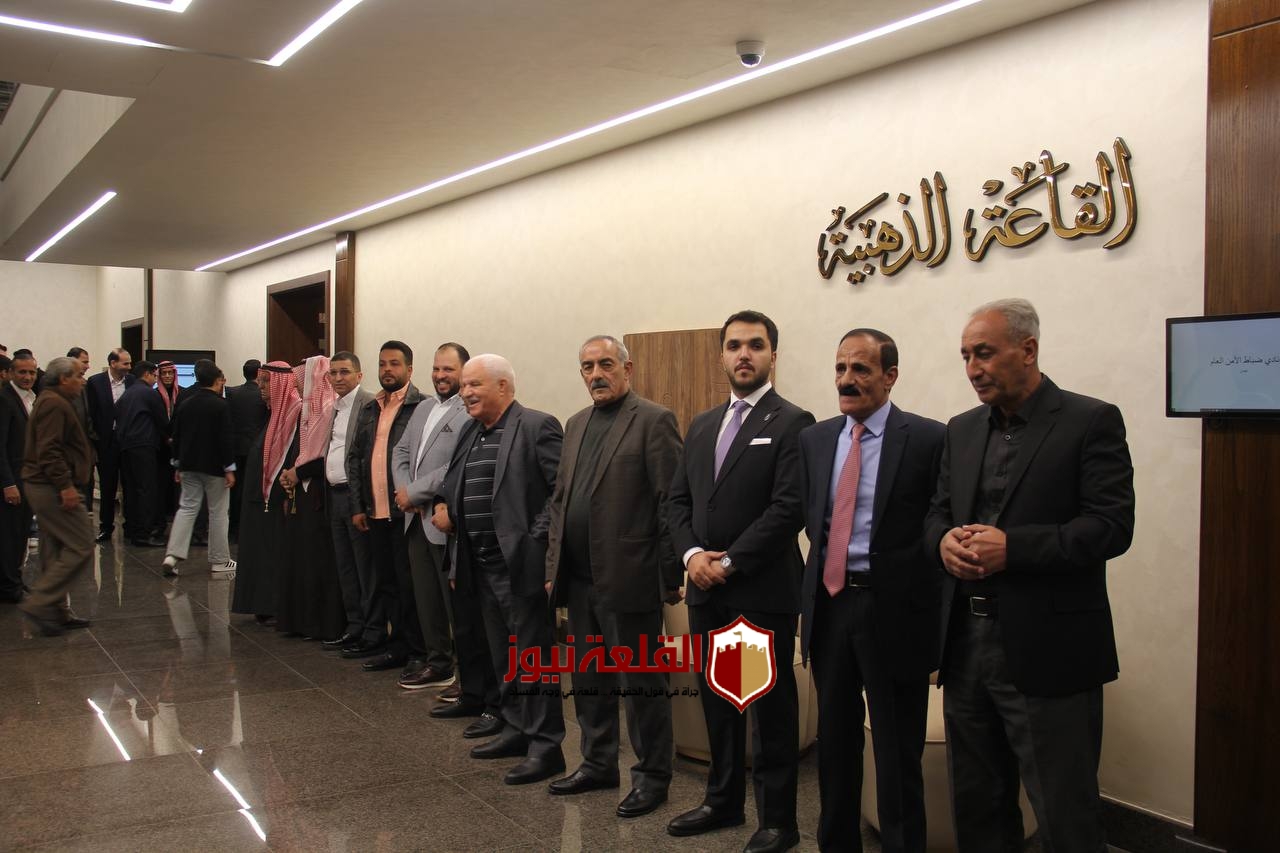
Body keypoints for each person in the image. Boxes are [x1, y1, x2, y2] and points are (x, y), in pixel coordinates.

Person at [924, 298, 1136, 853]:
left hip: (1051, 651)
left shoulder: (1090, 421)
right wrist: (942, 542)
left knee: (1064, 814)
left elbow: (1111, 527)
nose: (973, 368)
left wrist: (1013, 549)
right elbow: (937, 514)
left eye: (984, 353)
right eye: (966, 356)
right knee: (979, 807)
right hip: (966, 649)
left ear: (1028, 349)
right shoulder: (961, 430)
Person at [666, 310, 815, 853]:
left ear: (773, 354)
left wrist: (726, 563)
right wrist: (691, 557)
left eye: (755, 345)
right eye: (734, 346)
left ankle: (778, 821)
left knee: (768, 711)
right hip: (706, 591)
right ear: (721, 355)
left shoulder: (793, 421)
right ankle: (722, 800)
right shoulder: (703, 424)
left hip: (758, 592)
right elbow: (678, 502)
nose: (743, 354)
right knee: (717, 702)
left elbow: (787, 510)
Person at [797, 329, 944, 853]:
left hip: (895, 614)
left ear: (890, 376)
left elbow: (937, 526)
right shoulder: (816, 440)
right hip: (830, 608)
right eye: (840, 368)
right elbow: (811, 520)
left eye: (860, 369)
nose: (846, 379)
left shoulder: (928, 439)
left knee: (897, 752)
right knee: (835, 745)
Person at [544, 335, 683, 817]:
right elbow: (560, 501)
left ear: (628, 368)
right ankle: (598, 763)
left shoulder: (654, 420)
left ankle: (653, 776)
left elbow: (670, 501)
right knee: (588, 680)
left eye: (605, 364)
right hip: (579, 580)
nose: (596, 374)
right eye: (587, 366)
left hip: (631, 577)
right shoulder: (575, 423)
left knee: (641, 686)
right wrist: (553, 567)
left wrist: (670, 574)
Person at [433, 354, 566, 785]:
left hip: (519, 566)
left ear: (504, 386)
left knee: (533, 658)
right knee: (504, 656)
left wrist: (533, 540)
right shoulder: (471, 431)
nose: (465, 393)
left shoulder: (537, 426)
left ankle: (546, 747)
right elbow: (456, 484)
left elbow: (559, 494)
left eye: (474, 385)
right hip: (480, 565)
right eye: (464, 386)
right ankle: (515, 728)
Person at [391, 343, 471, 692]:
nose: (440, 375)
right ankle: (439, 664)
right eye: (437, 368)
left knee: (455, 604)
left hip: (443, 520)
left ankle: (469, 676)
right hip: (415, 520)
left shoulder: (468, 410)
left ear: (464, 371)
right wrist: (404, 490)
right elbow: (401, 451)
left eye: (448, 369)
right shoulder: (423, 407)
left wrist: (415, 493)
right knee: (426, 600)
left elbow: (456, 465)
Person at [345, 341, 426, 672]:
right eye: (382, 364)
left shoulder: (421, 407)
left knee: (411, 587)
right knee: (387, 584)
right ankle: (397, 648)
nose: (387, 370)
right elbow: (355, 458)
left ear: (409, 369)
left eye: (394, 364)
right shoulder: (370, 408)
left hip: (405, 514)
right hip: (375, 512)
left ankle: (420, 651)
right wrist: (358, 506)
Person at [17, 357, 93, 635]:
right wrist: (65, 486)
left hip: (45, 484)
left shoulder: (51, 400)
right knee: (81, 544)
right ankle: (40, 604)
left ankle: (56, 611)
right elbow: (49, 450)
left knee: (54, 548)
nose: (82, 382)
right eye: (78, 376)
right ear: (63, 379)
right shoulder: (54, 404)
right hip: (50, 486)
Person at [275, 356, 346, 641]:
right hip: (304, 493)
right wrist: (291, 473)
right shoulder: (308, 410)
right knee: (303, 560)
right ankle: (303, 621)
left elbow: (326, 457)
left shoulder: (328, 408)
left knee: (320, 562)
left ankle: (321, 624)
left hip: (320, 495)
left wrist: (298, 472)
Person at [319, 352, 377, 651]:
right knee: (345, 567)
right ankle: (354, 626)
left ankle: (372, 631)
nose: (338, 378)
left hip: (356, 498)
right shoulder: (335, 406)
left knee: (365, 568)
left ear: (359, 375)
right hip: (335, 496)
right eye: (333, 373)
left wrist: (360, 502)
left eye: (344, 372)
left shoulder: (369, 403)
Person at [160, 359, 237, 576]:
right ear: (216, 381)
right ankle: (220, 560)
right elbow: (225, 439)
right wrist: (229, 467)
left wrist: (177, 464)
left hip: (187, 465)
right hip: (215, 468)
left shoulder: (186, 403)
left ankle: (172, 556)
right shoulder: (221, 406)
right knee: (218, 511)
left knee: (186, 508)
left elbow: (177, 436)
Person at [231, 362, 292, 623]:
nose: (261, 387)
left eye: (266, 382)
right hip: (259, 499)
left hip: (275, 500)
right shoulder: (272, 414)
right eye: (260, 382)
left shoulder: (291, 414)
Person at [115, 361, 168, 547]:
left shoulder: (127, 394)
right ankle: (144, 533)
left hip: (126, 446)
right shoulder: (149, 393)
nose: (156, 380)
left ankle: (132, 529)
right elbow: (162, 421)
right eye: (155, 376)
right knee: (146, 489)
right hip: (144, 445)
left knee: (131, 489)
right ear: (147, 374)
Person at [85, 349, 135, 543]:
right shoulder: (95, 382)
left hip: (127, 440)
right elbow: (90, 412)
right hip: (106, 442)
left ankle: (130, 525)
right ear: (113, 363)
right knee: (108, 486)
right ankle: (106, 527)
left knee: (129, 484)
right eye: (125, 363)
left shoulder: (132, 382)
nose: (129, 367)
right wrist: (95, 439)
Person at [0, 353, 31, 603]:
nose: (27, 377)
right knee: (10, 535)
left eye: (31, 372)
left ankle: (15, 579)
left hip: (26, 478)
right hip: (13, 480)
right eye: (22, 372)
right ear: (10, 373)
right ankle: (8, 586)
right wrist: (8, 483)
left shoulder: (29, 398)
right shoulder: (4, 399)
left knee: (20, 533)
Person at [227, 359, 268, 540]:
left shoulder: (232, 393)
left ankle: (234, 528)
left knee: (235, 490)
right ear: (259, 373)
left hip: (236, 448)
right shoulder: (263, 394)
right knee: (253, 488)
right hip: (257, 449)